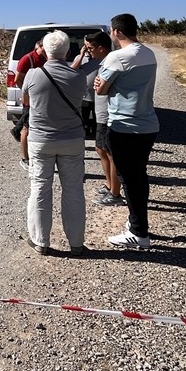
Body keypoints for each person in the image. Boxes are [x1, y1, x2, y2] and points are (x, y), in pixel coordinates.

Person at [94, 13, 159, 249]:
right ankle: (138, 225)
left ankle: (138, 232)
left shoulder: (117, 58)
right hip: (148, 125)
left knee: (130, 181)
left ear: (117, 32)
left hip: (124, 126)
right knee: (138, 177)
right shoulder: (148, 53)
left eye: (112, 31)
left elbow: (100, 89)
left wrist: (103, 85)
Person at [22, 30, 88, 256]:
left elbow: (26, 100)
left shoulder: (32, 75)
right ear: (68, 51)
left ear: (45, 51)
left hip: (41, 141)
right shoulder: (78, 77)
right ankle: (76, 243)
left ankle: (40, 241)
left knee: (40, 189)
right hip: (72, 140)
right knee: (73, 191)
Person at [79, 31, 124, 207]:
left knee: (110, 153)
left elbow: (101, 88)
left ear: (101, 48)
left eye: (90, 48)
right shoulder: (104, 62)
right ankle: (109, 184)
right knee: (100, 149)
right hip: (101, 113)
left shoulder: (111, 63)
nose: (88, 51)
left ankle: (115, 193)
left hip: (107, 114)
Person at [11, 39, 47, 172]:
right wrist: (28, 94)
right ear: (41, 46)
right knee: (26, 128)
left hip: (41, 100)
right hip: (30, 100)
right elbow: (17, 80)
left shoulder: (45, 59)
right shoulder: (27, 59)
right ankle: (25, 159)